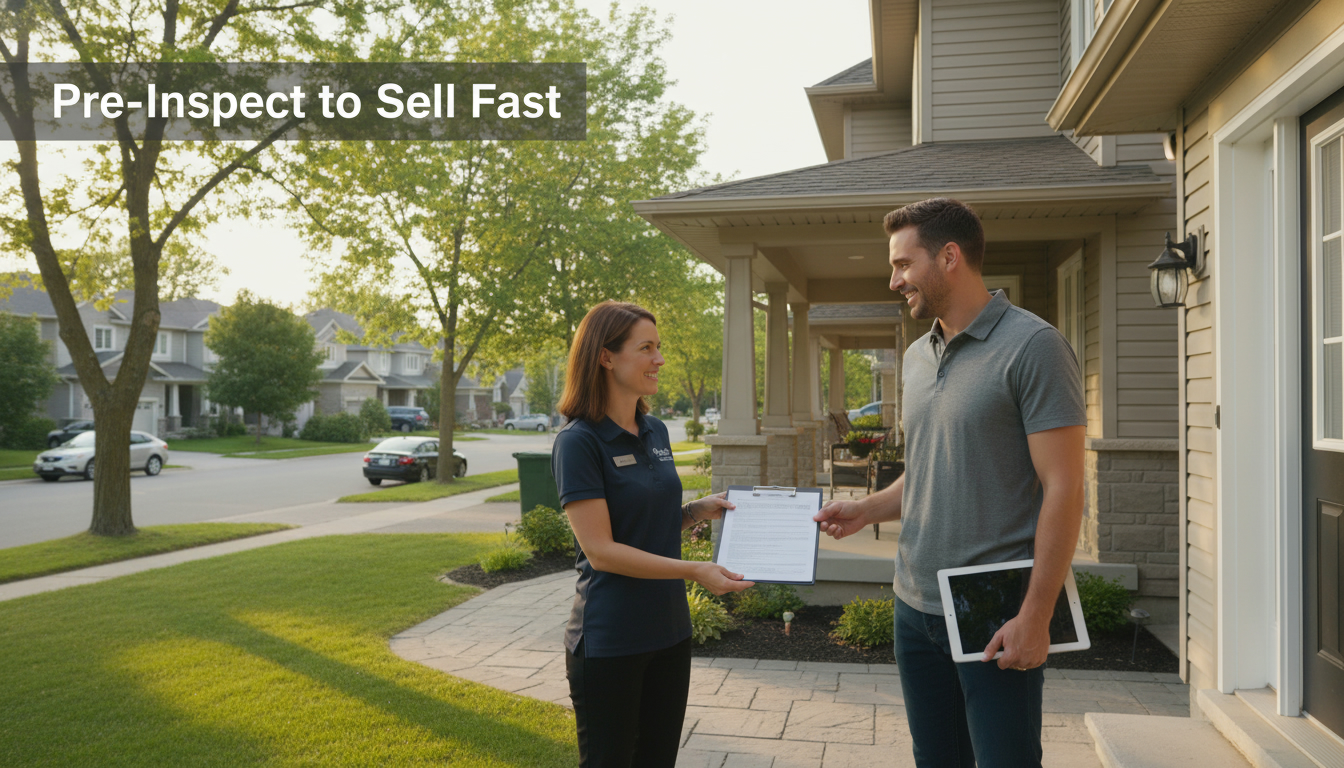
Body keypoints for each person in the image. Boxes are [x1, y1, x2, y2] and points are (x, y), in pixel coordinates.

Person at [813, 198, 1085, 768]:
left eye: (903, 264)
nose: (894, 280)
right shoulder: (917, 355)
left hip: (993, 607)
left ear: (950, 257)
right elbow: (931, 468)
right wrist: (867, 509)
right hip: (913, 604)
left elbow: (1063, 487)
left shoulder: (1034, 347)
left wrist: (1036, 614)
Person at [552, 300, 754, 768]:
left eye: (658, 348)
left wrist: (696, 511)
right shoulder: (578, 442)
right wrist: (695, 570)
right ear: (606, 356)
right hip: (611, 641)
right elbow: (602, 551)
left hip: (670, 632)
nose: (659, 359)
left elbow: (644, 522)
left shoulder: (656, 431)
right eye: (646, 348)